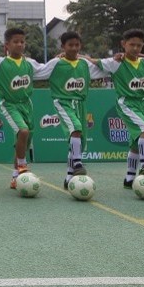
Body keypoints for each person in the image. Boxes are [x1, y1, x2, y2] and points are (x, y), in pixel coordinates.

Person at [35, 30, 108, 189]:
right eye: (70, 45)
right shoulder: (56, 63)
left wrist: (114, 60)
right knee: (75, 128)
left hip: (81, 104)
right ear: (63, 46)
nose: (74, 48)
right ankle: (77, 163)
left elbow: (106, 69)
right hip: (63, 102)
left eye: (77, 45)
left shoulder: (85, 64)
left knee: (79, 141)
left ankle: (69, 176)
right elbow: (38, 72)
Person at [0, 27, 46, 189]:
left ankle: (16, 176)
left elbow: (47, 69)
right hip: (9, 105)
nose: (20, 45)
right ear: (7, 45)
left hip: (27, 105)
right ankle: (22, 167)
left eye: (22, 42)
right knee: (22, 132)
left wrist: (60, 59)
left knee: (25, 138)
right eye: (16, 42)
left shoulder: (29, 63)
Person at [92, 29, 144, 188]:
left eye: (139, 45)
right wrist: (72, 56)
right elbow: (93, 61)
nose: (135, 48)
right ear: (123, 44)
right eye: (131, 45)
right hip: (127, 103)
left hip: (143, 103)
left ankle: (129, 177)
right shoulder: (116, 63)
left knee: (136, 142)